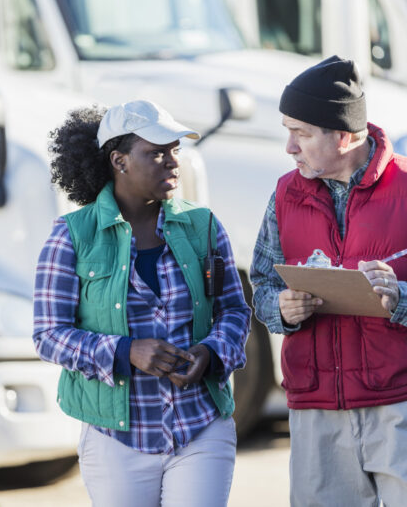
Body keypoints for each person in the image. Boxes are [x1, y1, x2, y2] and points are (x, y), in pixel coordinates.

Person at [250, 55, 407, 507]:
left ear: (345, 135)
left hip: (405, 407)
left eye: (301, 133)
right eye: (288, 131)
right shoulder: (284, 194)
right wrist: (281, 309)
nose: (290, 147)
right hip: (317, 415)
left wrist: (402, 297)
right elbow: (260, 286)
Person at [33, 100, 251, 507]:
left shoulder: (203, 226)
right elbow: (48, 335)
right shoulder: (71, 237)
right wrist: (125, 351)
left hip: (200, 425)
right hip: (116, 437)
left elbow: (234, 312)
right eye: (156, 153)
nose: (172, 162)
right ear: (119, 161)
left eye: (174, 151)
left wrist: (212, 352)